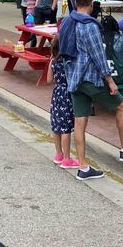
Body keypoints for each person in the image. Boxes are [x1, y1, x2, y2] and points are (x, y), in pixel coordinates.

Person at [58, 0, 123, 180]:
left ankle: (83, 166)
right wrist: (109, 80)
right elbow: (98, 55)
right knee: (122, 105)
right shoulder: (89, 25)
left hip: (73, 77)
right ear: (91, 4)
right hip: (90, 78)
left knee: (80, 122)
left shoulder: (67, 21)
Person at [47, 36, 77, 169]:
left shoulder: (52, 61)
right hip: (67, 93)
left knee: (57, 124)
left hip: (57, 93)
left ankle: (58, 154)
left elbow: (48, 79)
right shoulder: (68, 61)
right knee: (66, 128)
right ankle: (67, 158)